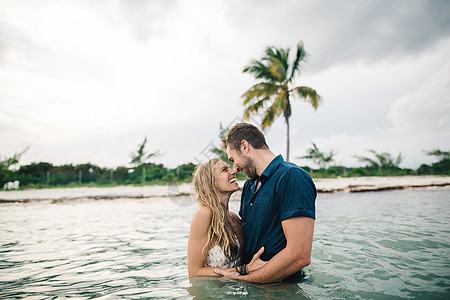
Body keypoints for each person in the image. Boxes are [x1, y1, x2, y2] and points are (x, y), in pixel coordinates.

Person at [214, 122, 316, 283]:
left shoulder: (291, 177)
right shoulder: (249, 185)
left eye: (233, 159)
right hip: (253, 287)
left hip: (282, 289)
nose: (235, 168)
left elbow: (300, 255)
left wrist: (246, 280)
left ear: (244, 146)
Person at [187, 158, 265, 277]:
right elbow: (194, 272)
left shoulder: (233, 217)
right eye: (224, 170)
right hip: (212, 293)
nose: (233, 171)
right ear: (210, 182)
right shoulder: (204, 214)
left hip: (234, 291)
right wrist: (245, 269)